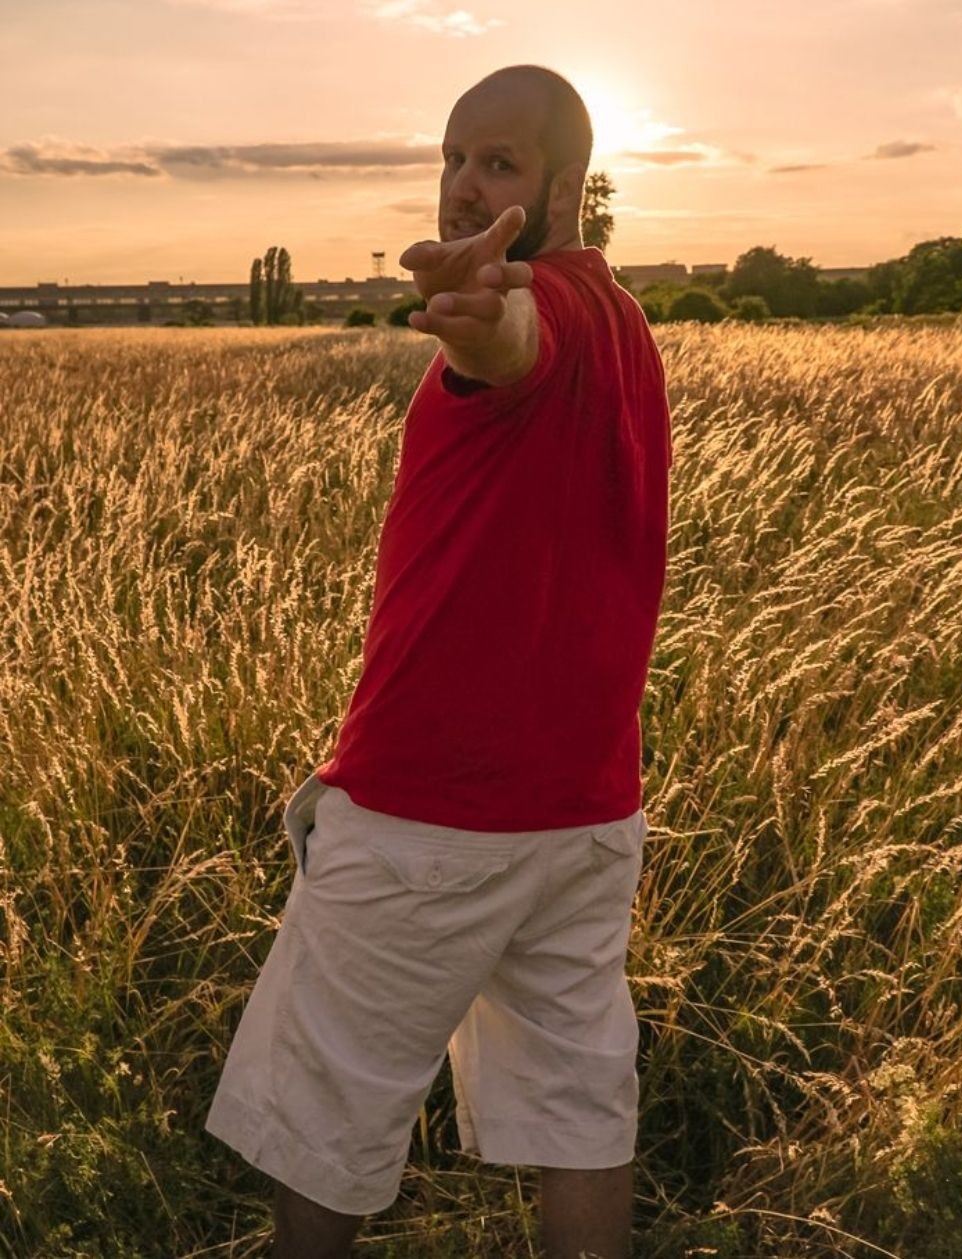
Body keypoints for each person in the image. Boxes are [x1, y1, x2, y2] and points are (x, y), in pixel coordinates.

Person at [205, 63, 672, 1259]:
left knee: (326, 1118)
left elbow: (514, 340)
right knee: (580, 1115)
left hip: (430, 817)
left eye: (501, 163)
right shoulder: (628, 322)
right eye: (456, 157)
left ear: (566, 186)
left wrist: (485, 318)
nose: (467, 184)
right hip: (582, 815)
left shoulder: (544, 312)